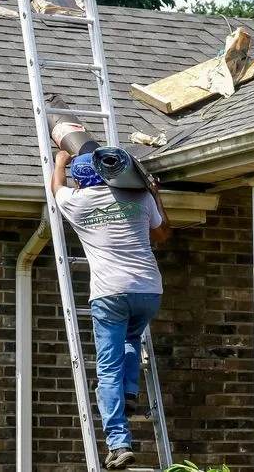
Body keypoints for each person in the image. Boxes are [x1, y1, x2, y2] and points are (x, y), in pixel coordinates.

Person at [51, 149, 171, 470]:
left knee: (107, 367)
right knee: (132, 340)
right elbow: (162, 234)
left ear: (81, 180)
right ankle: (129, 391)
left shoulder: (77, 203)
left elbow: (56, 188)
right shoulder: (140, 200)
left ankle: (118, 444)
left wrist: (60, 161)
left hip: (109, 294)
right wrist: (155, 196)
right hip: (148, 290)